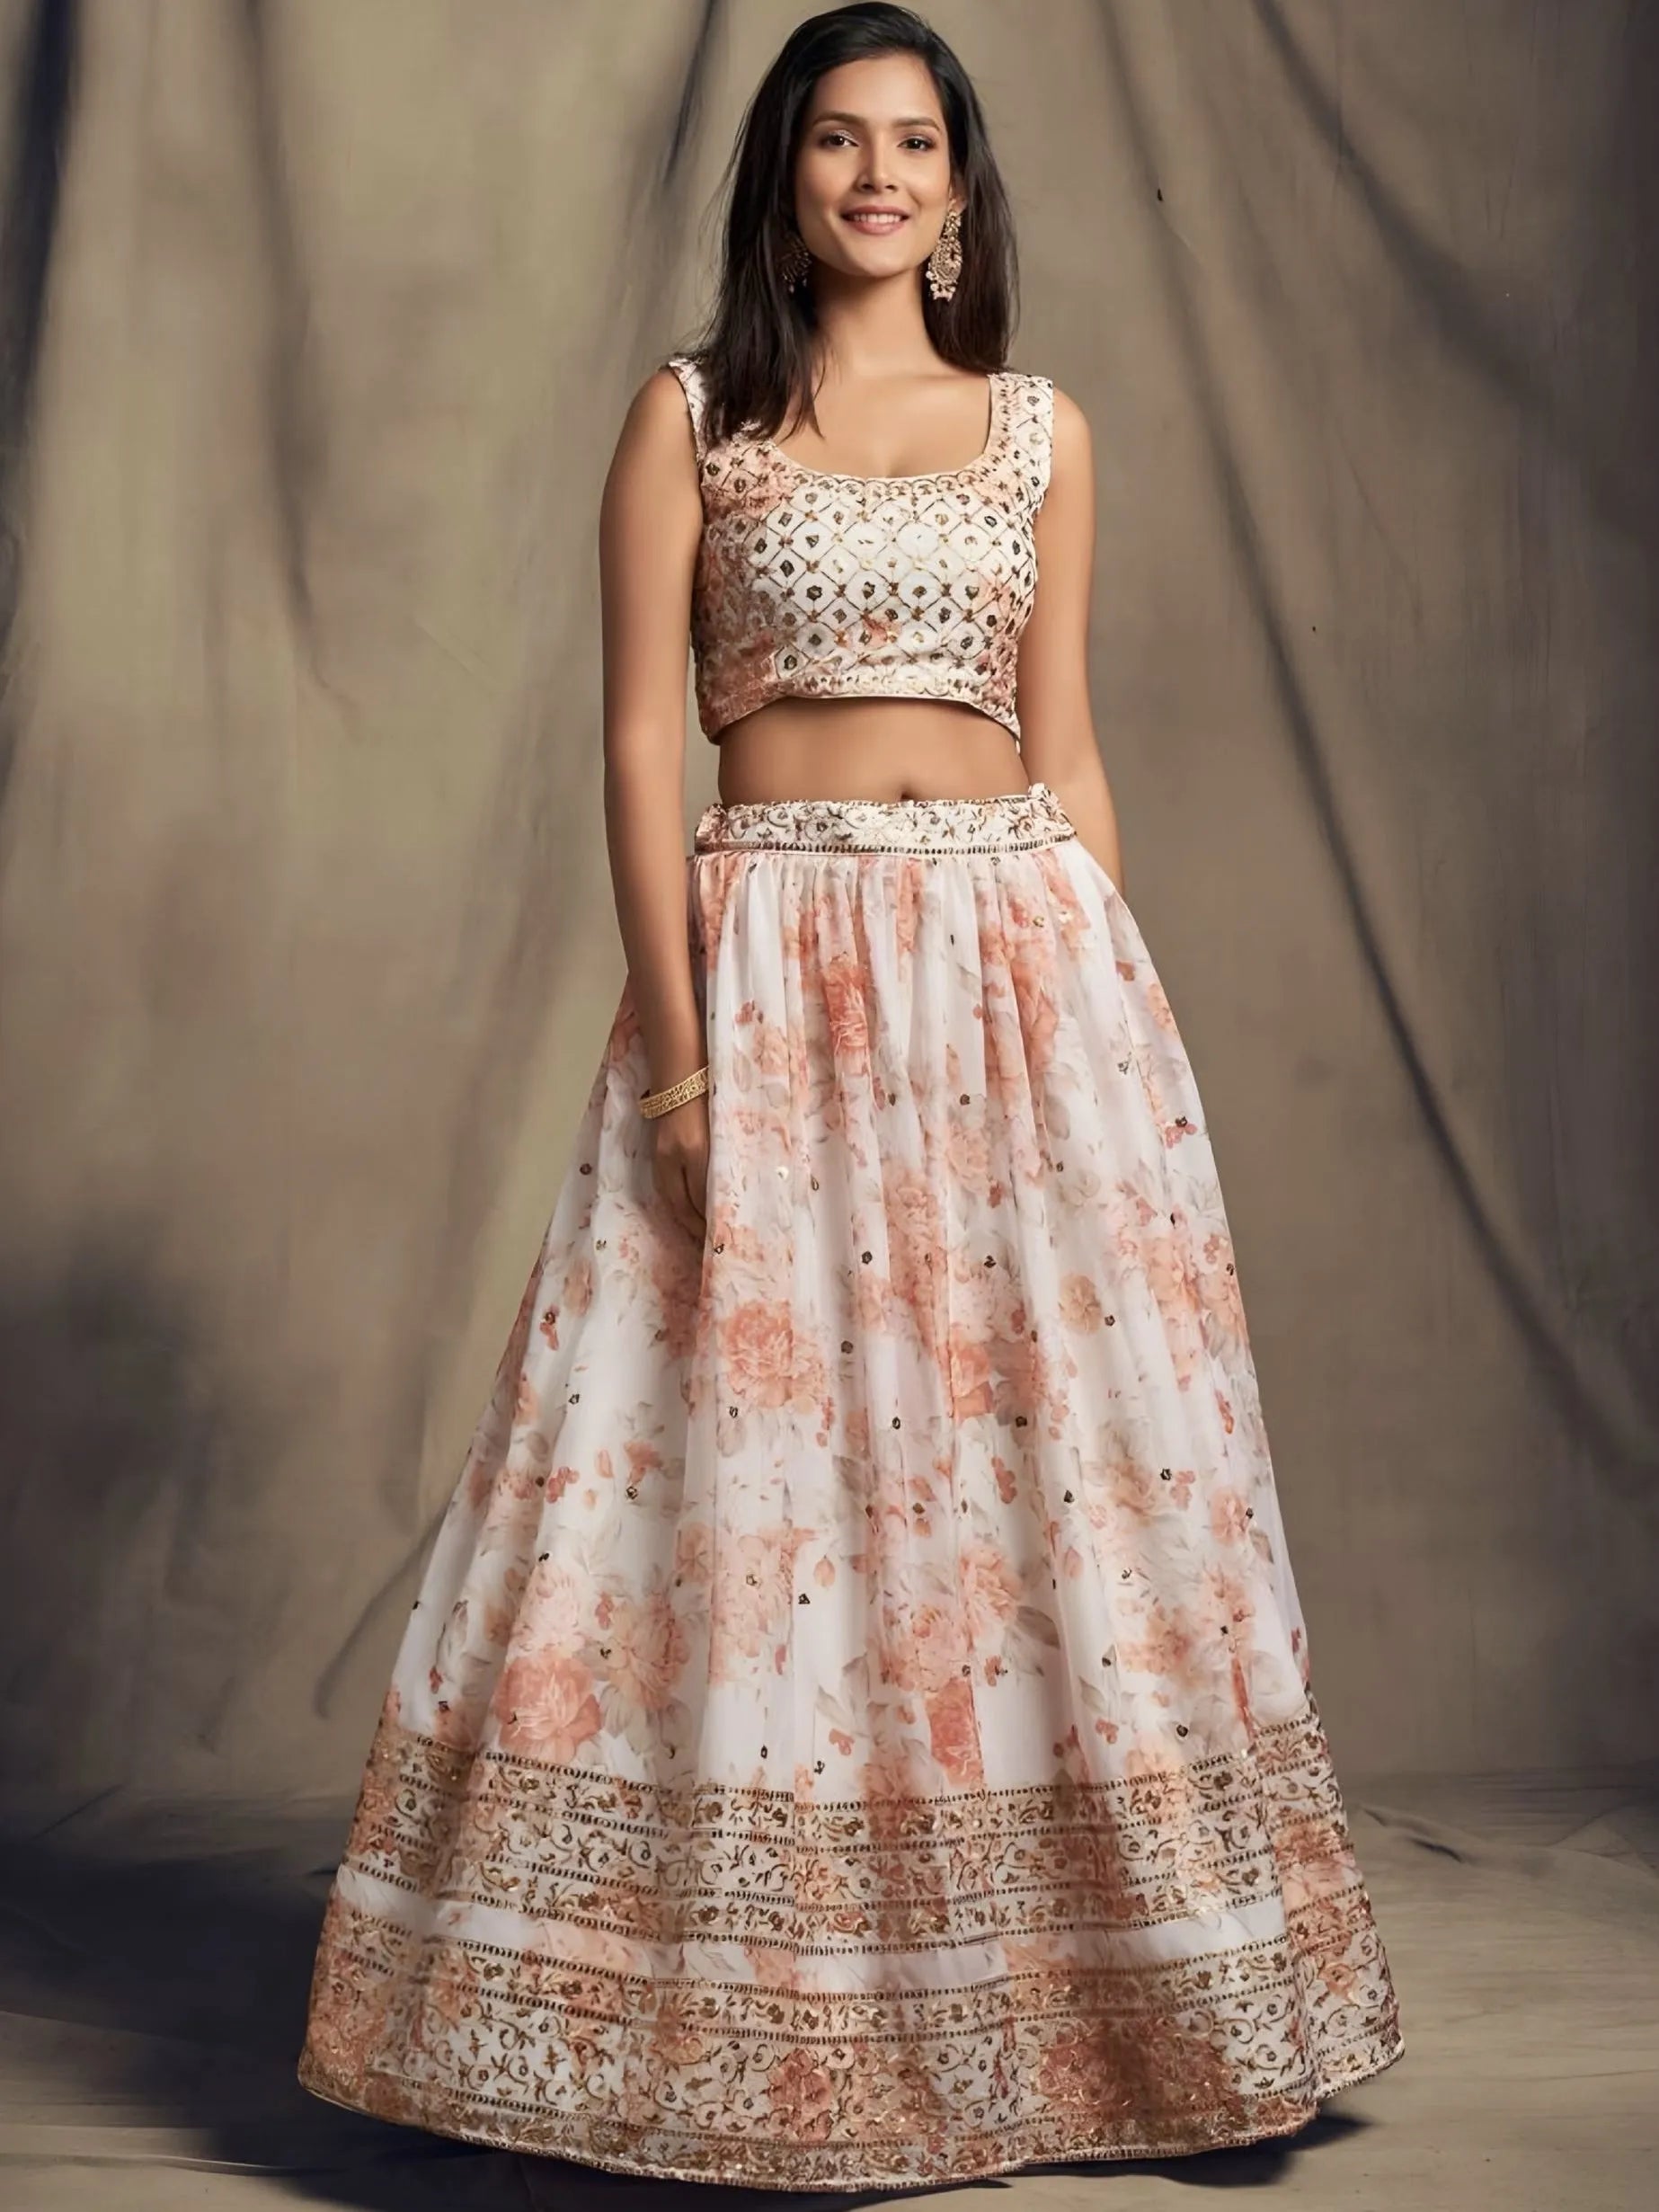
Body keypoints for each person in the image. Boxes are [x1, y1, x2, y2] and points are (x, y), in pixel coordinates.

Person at [296, 2, 1403, 2189]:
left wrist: (1113, 1016)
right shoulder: (690, 415)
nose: (878, 177)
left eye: (915, 144)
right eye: (836, 141)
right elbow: (634, 746)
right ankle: (742, 2016)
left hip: (1015, 972)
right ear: (783, 180)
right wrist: (684, 1045)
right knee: (752, 1475)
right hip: (769, 964)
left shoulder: (1040, 431)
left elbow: (1060, 737)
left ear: (961, 188)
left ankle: (1126, 2012)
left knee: (1038, 1463)